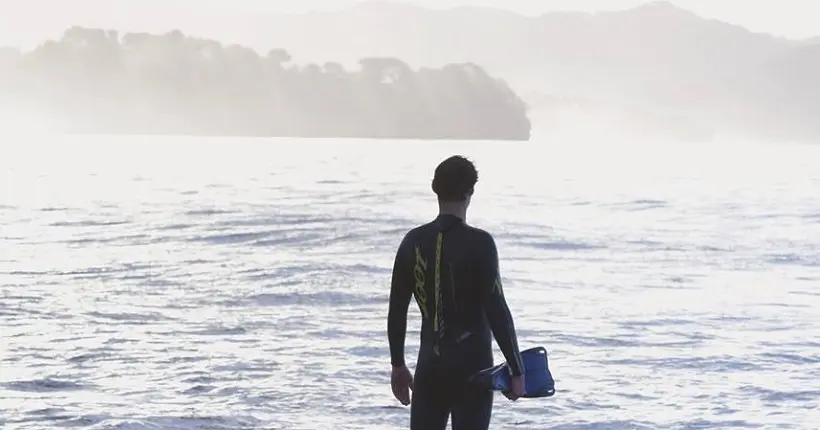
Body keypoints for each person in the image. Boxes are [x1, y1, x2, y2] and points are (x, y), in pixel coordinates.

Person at [387, 155, 526, 430]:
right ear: (470, 192)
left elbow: (396, 310)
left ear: (435, 189)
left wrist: (398, 365)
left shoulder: (412, 242)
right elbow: (496, 308)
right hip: (473, 370)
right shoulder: (480, 243)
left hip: (429, 369)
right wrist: (517, 368)